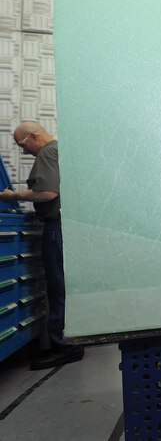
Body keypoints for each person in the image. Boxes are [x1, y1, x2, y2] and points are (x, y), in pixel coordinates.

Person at [0, 122, 83, 369]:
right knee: (63, 286)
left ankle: (63, 345)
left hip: (57, 228)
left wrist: (13, 196)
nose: (24, 152)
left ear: (33, 136)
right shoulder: (59, 150)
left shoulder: (47, 152)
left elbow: (48, 193)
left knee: (57, 286)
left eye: (22, 146)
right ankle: (70, 341)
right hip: (63, 226)